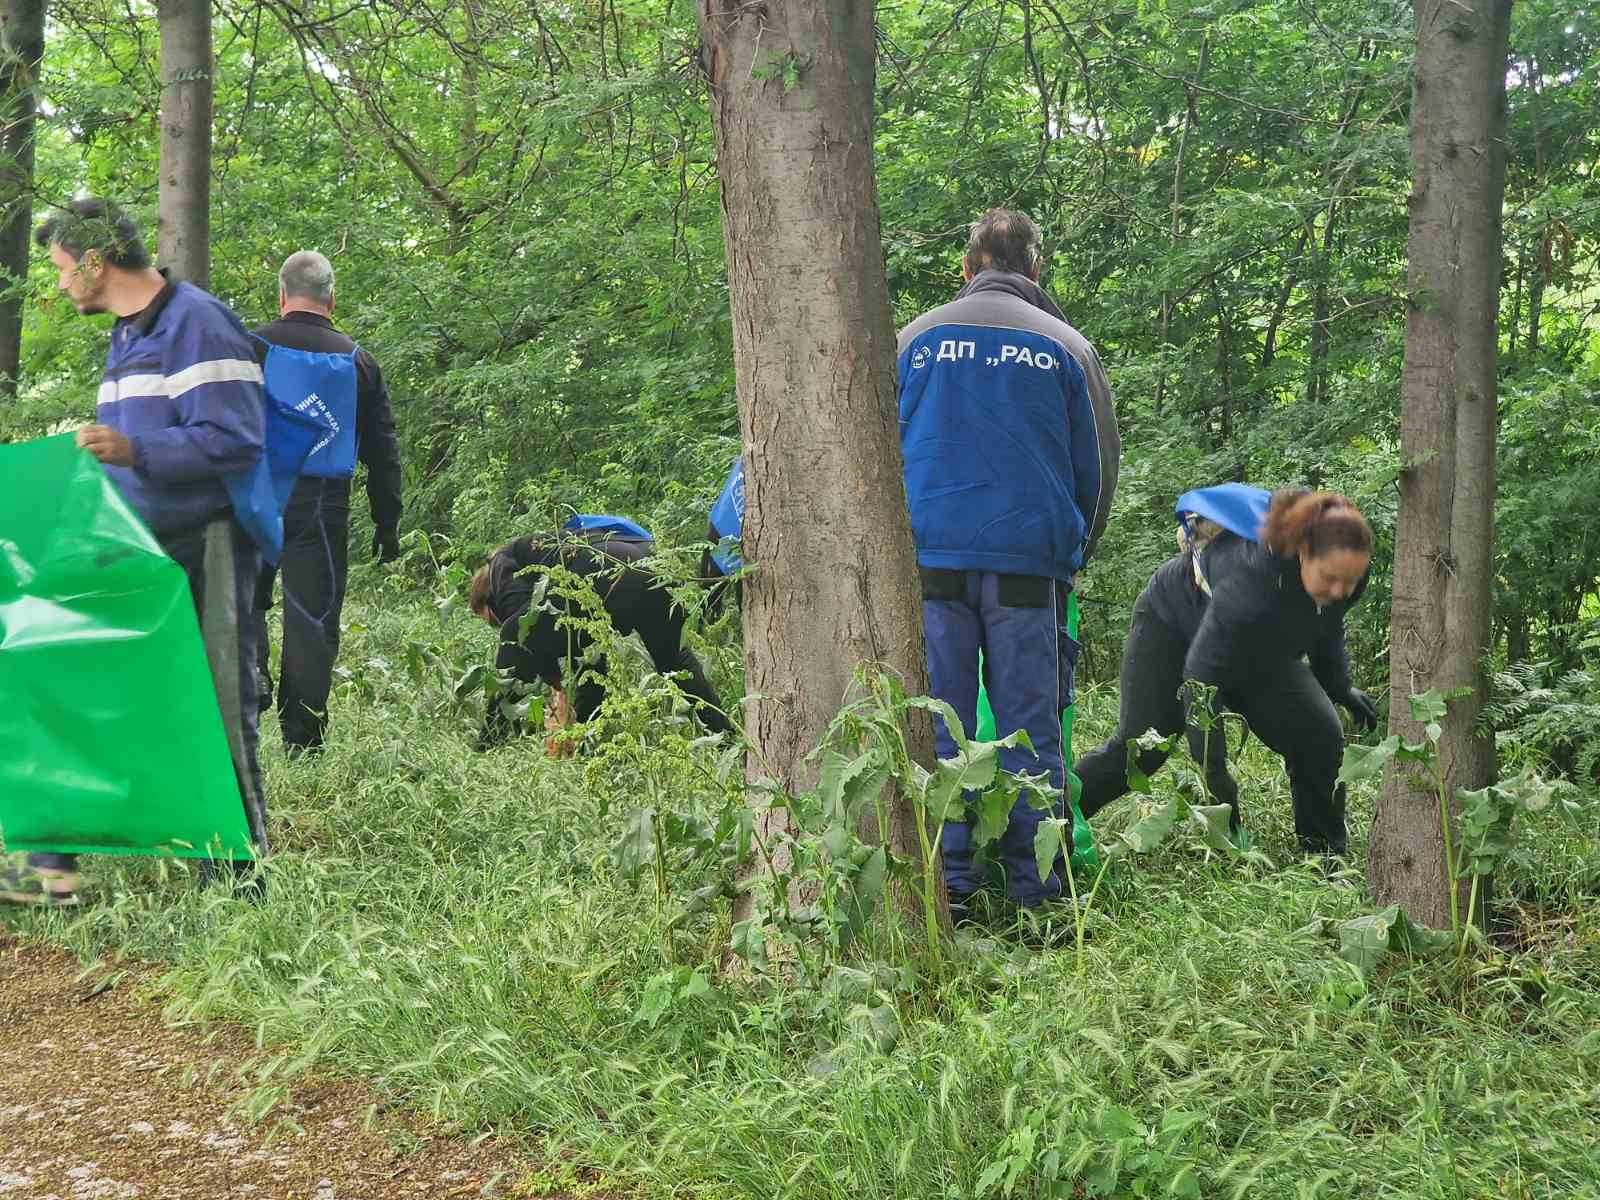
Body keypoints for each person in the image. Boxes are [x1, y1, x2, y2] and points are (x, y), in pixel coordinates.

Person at [5, 199, 269, 906]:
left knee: (218, 704)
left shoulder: (199, 322)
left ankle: (240, 880)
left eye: (62, 268)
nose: (59, 283)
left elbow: (238, 440)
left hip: (207, 541)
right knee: (56, 662)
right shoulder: (127, 333)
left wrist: (133, 449)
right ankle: (49, 867)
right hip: (136, 549)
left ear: (95, 262)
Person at [897, 207, 1120, 910]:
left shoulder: (913, 340)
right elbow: (1098, 466)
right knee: (1031, 731)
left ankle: (951, 891)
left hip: (931, 563)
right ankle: (1039, 896)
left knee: (942, 728)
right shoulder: (1067, 346)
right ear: (1035, 269)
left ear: (966, 268)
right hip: (1030, 566)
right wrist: (1075, 552)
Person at [1074, 487, 1379, 857]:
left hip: (1258, 647)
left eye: (1349, 580)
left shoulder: (1345, 575)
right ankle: (1051, 818)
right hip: (1173, 626)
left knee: (1320, 734)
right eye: (1329, 578)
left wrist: (1340, 686)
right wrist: (1216, 776)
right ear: (1301, 552)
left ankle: (1324, 856)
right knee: (1143, 748)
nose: (1339, 590)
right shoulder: (1250, 579)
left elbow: (1326, 625)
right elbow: (1200, 680)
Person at [252, 250, 403, 754]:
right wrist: (387, 524)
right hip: (322, 504)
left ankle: (249, 683)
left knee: (243, 598)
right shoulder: (359, 361)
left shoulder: (250, 349)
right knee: (312, 621)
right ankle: (303, 743)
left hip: (256, 492)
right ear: (331, 298)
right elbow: (383, 452)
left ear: (281, 294)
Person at [469, 518, 734, 749]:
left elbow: (524, 629)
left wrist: (555, 685)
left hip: (608, 572)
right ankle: (726, 738)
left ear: (488, 599)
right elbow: (569, 640)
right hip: (650, 564)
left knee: (513, 635)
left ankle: (489, 741)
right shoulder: (541, 563)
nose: (496, 623)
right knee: (671, 660)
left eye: (491, 620)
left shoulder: (500, 566)